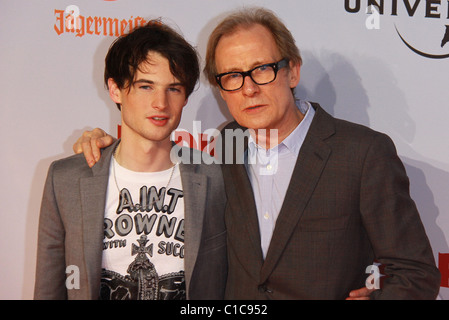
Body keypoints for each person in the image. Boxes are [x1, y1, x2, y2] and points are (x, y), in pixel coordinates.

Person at [73, 8, 440, 299]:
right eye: (232, 76)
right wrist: (104, 145)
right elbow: (153, 155)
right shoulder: (223, 147)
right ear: (221, 89)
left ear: (292, 71)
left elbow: (417, 273)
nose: (248, 89)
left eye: (261, 70)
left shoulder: (361, 153)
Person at [34, 21, 227, 300]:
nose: (160, 103)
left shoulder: (216, 177)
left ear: (186, 96)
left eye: (174, 88)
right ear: (115, 90)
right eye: (146, 86)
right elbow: (49, 288)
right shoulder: (65, 179)